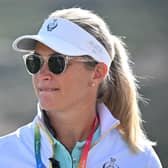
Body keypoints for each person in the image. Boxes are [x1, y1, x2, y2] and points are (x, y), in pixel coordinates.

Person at [0, 7, 162, 168]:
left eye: (57, 62)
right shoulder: (4, 154)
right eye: (35, 62)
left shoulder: (140, 160)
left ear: (98, 73)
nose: (42, 74)